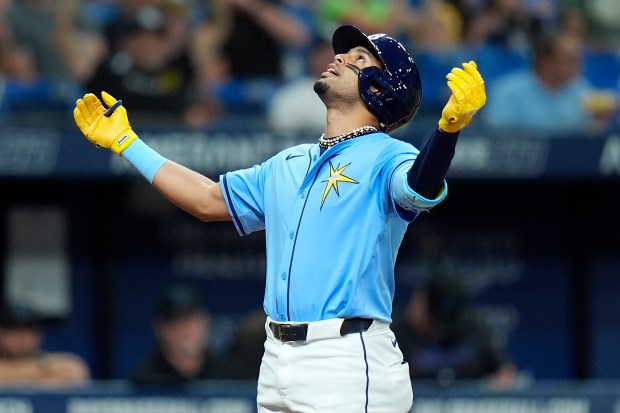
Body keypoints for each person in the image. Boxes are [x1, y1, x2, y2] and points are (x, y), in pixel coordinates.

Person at [74, 24, 486, 412]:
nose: (340, 58)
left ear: (381, 88)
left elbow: (420, 186)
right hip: (277, 356)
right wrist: (128, 144)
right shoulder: (290, 161)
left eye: (359, 59)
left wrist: (448, 129)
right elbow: (205, 200)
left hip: (345, 355)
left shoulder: (388, 155)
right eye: (343, 52)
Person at [391, 274, 518, 389]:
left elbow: (505, 370)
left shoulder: (471, 327)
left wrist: (493, 393)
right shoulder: (393, 333)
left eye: (443, 324)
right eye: (433, 322)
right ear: (419, 301)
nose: (438, 331)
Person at [482, 28, 615, 135]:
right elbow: (497, 139)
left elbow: (587, 141)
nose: (579, 66)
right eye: (570, 60)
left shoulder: (580, 89)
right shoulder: (506, 92)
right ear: (546, 62)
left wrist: (600, 122)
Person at [130, 283, 226, 385]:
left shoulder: (229, 374)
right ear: (158, 328)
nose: (184, 330)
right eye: (174, 322)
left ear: (205, 321)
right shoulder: (144, 378)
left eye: (190, 320)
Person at [0, 301, 90, 386]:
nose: (20, 338)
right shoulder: (47, 367)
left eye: (26, 333)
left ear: (38, 335)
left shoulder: (45, 360)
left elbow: (76, 371)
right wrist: (42, 374)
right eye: (13, 332)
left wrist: (14, 379)